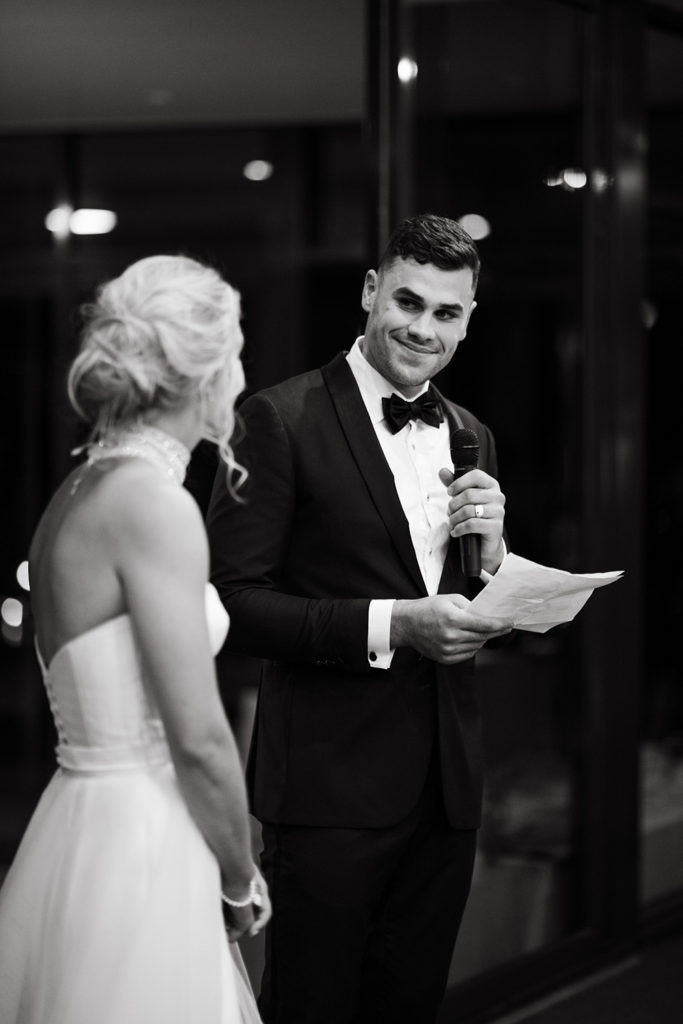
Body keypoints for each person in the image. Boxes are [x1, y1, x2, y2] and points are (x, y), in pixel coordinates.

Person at [206, 212, 514, 1024]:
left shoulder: (471, 434)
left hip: (445, 788)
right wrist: (392, 625)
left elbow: (466, 603)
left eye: (446, 313)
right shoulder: (277, 418)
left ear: (468, 319)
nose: (423, 329)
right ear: (371, 290)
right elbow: (230, 604)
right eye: (407, 302)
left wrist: (493, 560)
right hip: (327, 788)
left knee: (409, 1006)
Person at [0, 254, 271, 1024]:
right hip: (142, 838)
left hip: (77, 820)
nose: (241, 373)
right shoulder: (153, 504)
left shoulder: (77, 490)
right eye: (237, 352)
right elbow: (200, 739)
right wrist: (239, 876)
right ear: (205, 372)